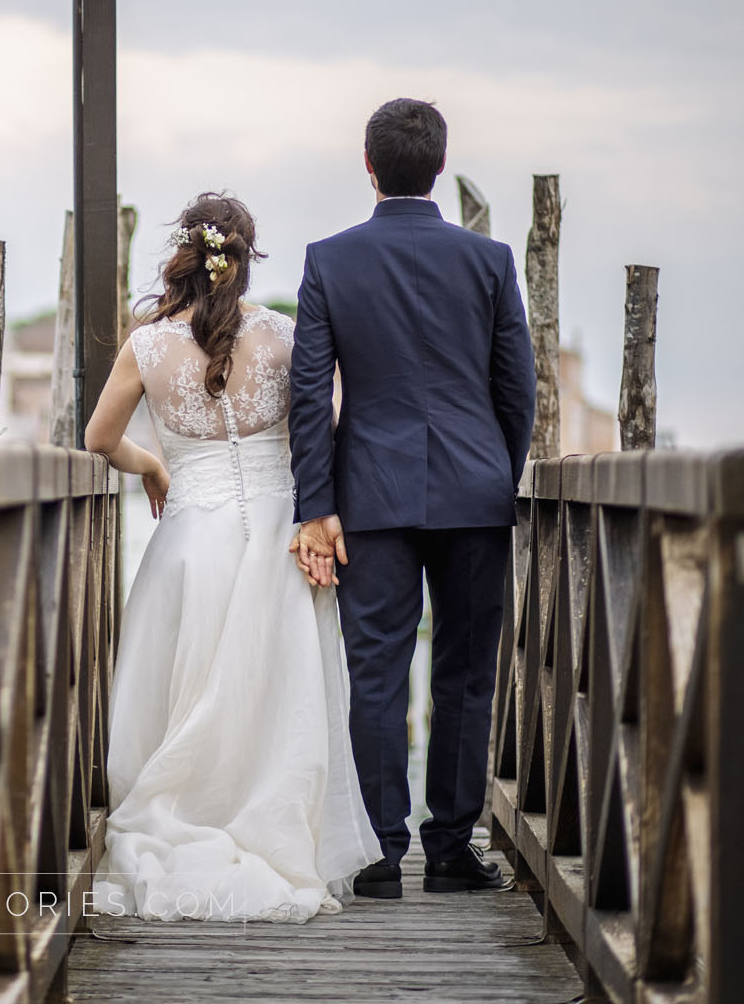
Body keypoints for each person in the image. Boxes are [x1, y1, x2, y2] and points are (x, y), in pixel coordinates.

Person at [86, 193, 380, 922]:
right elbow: (327, 425)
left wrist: (152, 463)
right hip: (282, 533)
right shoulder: (283, 335)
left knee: (186, 691)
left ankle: (182, 811)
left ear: (183, 254)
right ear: (247, 260)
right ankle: (278, 833)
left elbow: (97, 439)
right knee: (278, 694)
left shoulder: (147, 345)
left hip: (190, 539)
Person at [288, 97, 535, 899]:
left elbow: (307, 395)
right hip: (477, 492)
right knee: (466, 672)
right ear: (439, 164)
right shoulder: (491, 261)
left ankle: (380, 855)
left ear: (369, 167)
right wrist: (499, 473)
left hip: (370, 496)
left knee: (377, 673)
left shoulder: (329, 261)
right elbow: (517, 391)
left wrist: (315, 504)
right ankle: (454, 849)